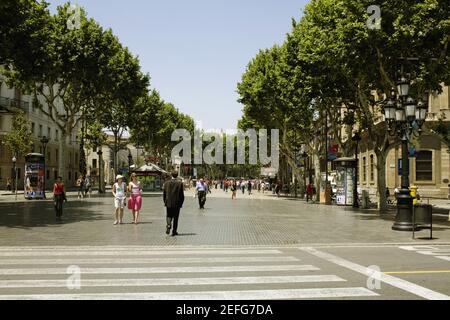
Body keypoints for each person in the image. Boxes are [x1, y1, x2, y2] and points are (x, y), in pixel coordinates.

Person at [163, 171, 185, 236]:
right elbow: (182, 195)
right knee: (176, 217)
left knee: (169, 215)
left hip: (168, 203)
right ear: (177, 175)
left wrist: (165, 201)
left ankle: (169, 225)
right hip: (177, 203)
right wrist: (181, 203)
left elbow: (164, 194)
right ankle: (174, 231)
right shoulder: (180, 183)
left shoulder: (166, 183)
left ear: (171, 175)